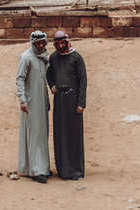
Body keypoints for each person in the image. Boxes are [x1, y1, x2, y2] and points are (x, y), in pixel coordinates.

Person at [47, 29, 87, 180]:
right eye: (58, 43)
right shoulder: (53, 58)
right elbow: (49, 74)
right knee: (61, 134)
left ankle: (76, 170)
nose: (60, 45)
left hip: (73, 100)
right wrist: (52, 86)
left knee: (74, 135)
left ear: (67, 41)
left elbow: (83, 80)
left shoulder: (76, 58)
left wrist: (81, 103)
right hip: (60, 101)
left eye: (62, 42)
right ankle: (63, 170)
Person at [16, 29, 51, 183]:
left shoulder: (43, 58)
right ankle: (36, 170)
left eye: (42, 42)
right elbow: (20, 79)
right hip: (30, 102)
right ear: (33, 43)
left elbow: (44, 80)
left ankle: (43, 166)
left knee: (42, 134)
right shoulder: (26, 58)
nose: (40, 45)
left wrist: (47, 100)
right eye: (37, 43)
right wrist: (22, 100)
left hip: (41, 100)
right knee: (34, 134)